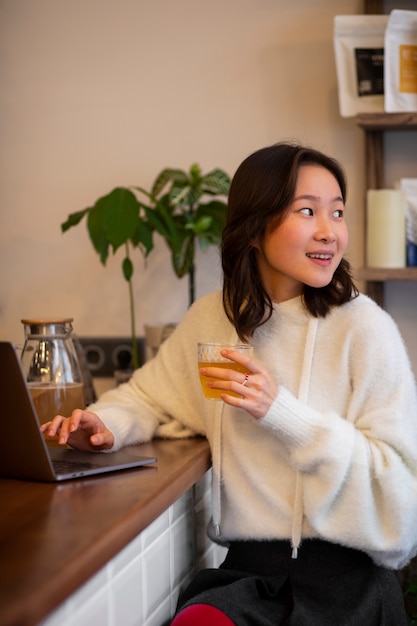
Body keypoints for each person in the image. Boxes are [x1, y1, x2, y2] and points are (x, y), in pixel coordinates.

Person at [42, 142, 417, 625]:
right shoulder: (213, 321)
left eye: (338, 213)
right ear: (255, 228)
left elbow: (401, 503)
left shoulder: (365, 330)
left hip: (351, 585)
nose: (330, 232)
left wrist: (281, 412)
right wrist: (105, 424)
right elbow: (150, 396)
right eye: (307, 211)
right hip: (247, 577)